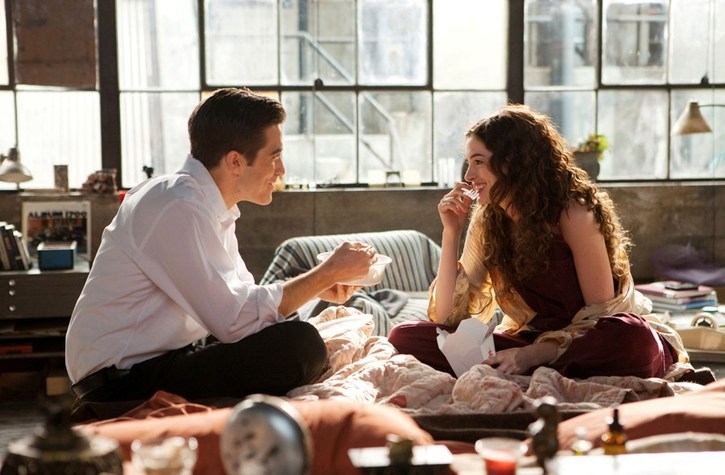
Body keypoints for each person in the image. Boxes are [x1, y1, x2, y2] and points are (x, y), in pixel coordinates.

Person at [65, 88, 376, 409]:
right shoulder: (176, 205)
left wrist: (317, 287)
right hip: (121, 382)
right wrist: (325, 274)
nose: (281, 170)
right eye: (274, 157)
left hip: (161, 360)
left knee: (291, 330)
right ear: (235, 161)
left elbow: (245, 305)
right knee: (300, 344)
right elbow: (236, 321)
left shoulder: (208, 207)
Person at [388, 104, 695, 381]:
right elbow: (445, 318)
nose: (469, 175)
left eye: (478, 162)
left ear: (512, 163)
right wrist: (451, 232)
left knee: (635, 338)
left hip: (588, 341)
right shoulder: (488, 219)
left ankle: (527, 366)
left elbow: (602, 315)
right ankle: (523, 367)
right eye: (469, 163)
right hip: (530, 341)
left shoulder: (573, 212)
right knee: (404, 336)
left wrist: (533, 354)